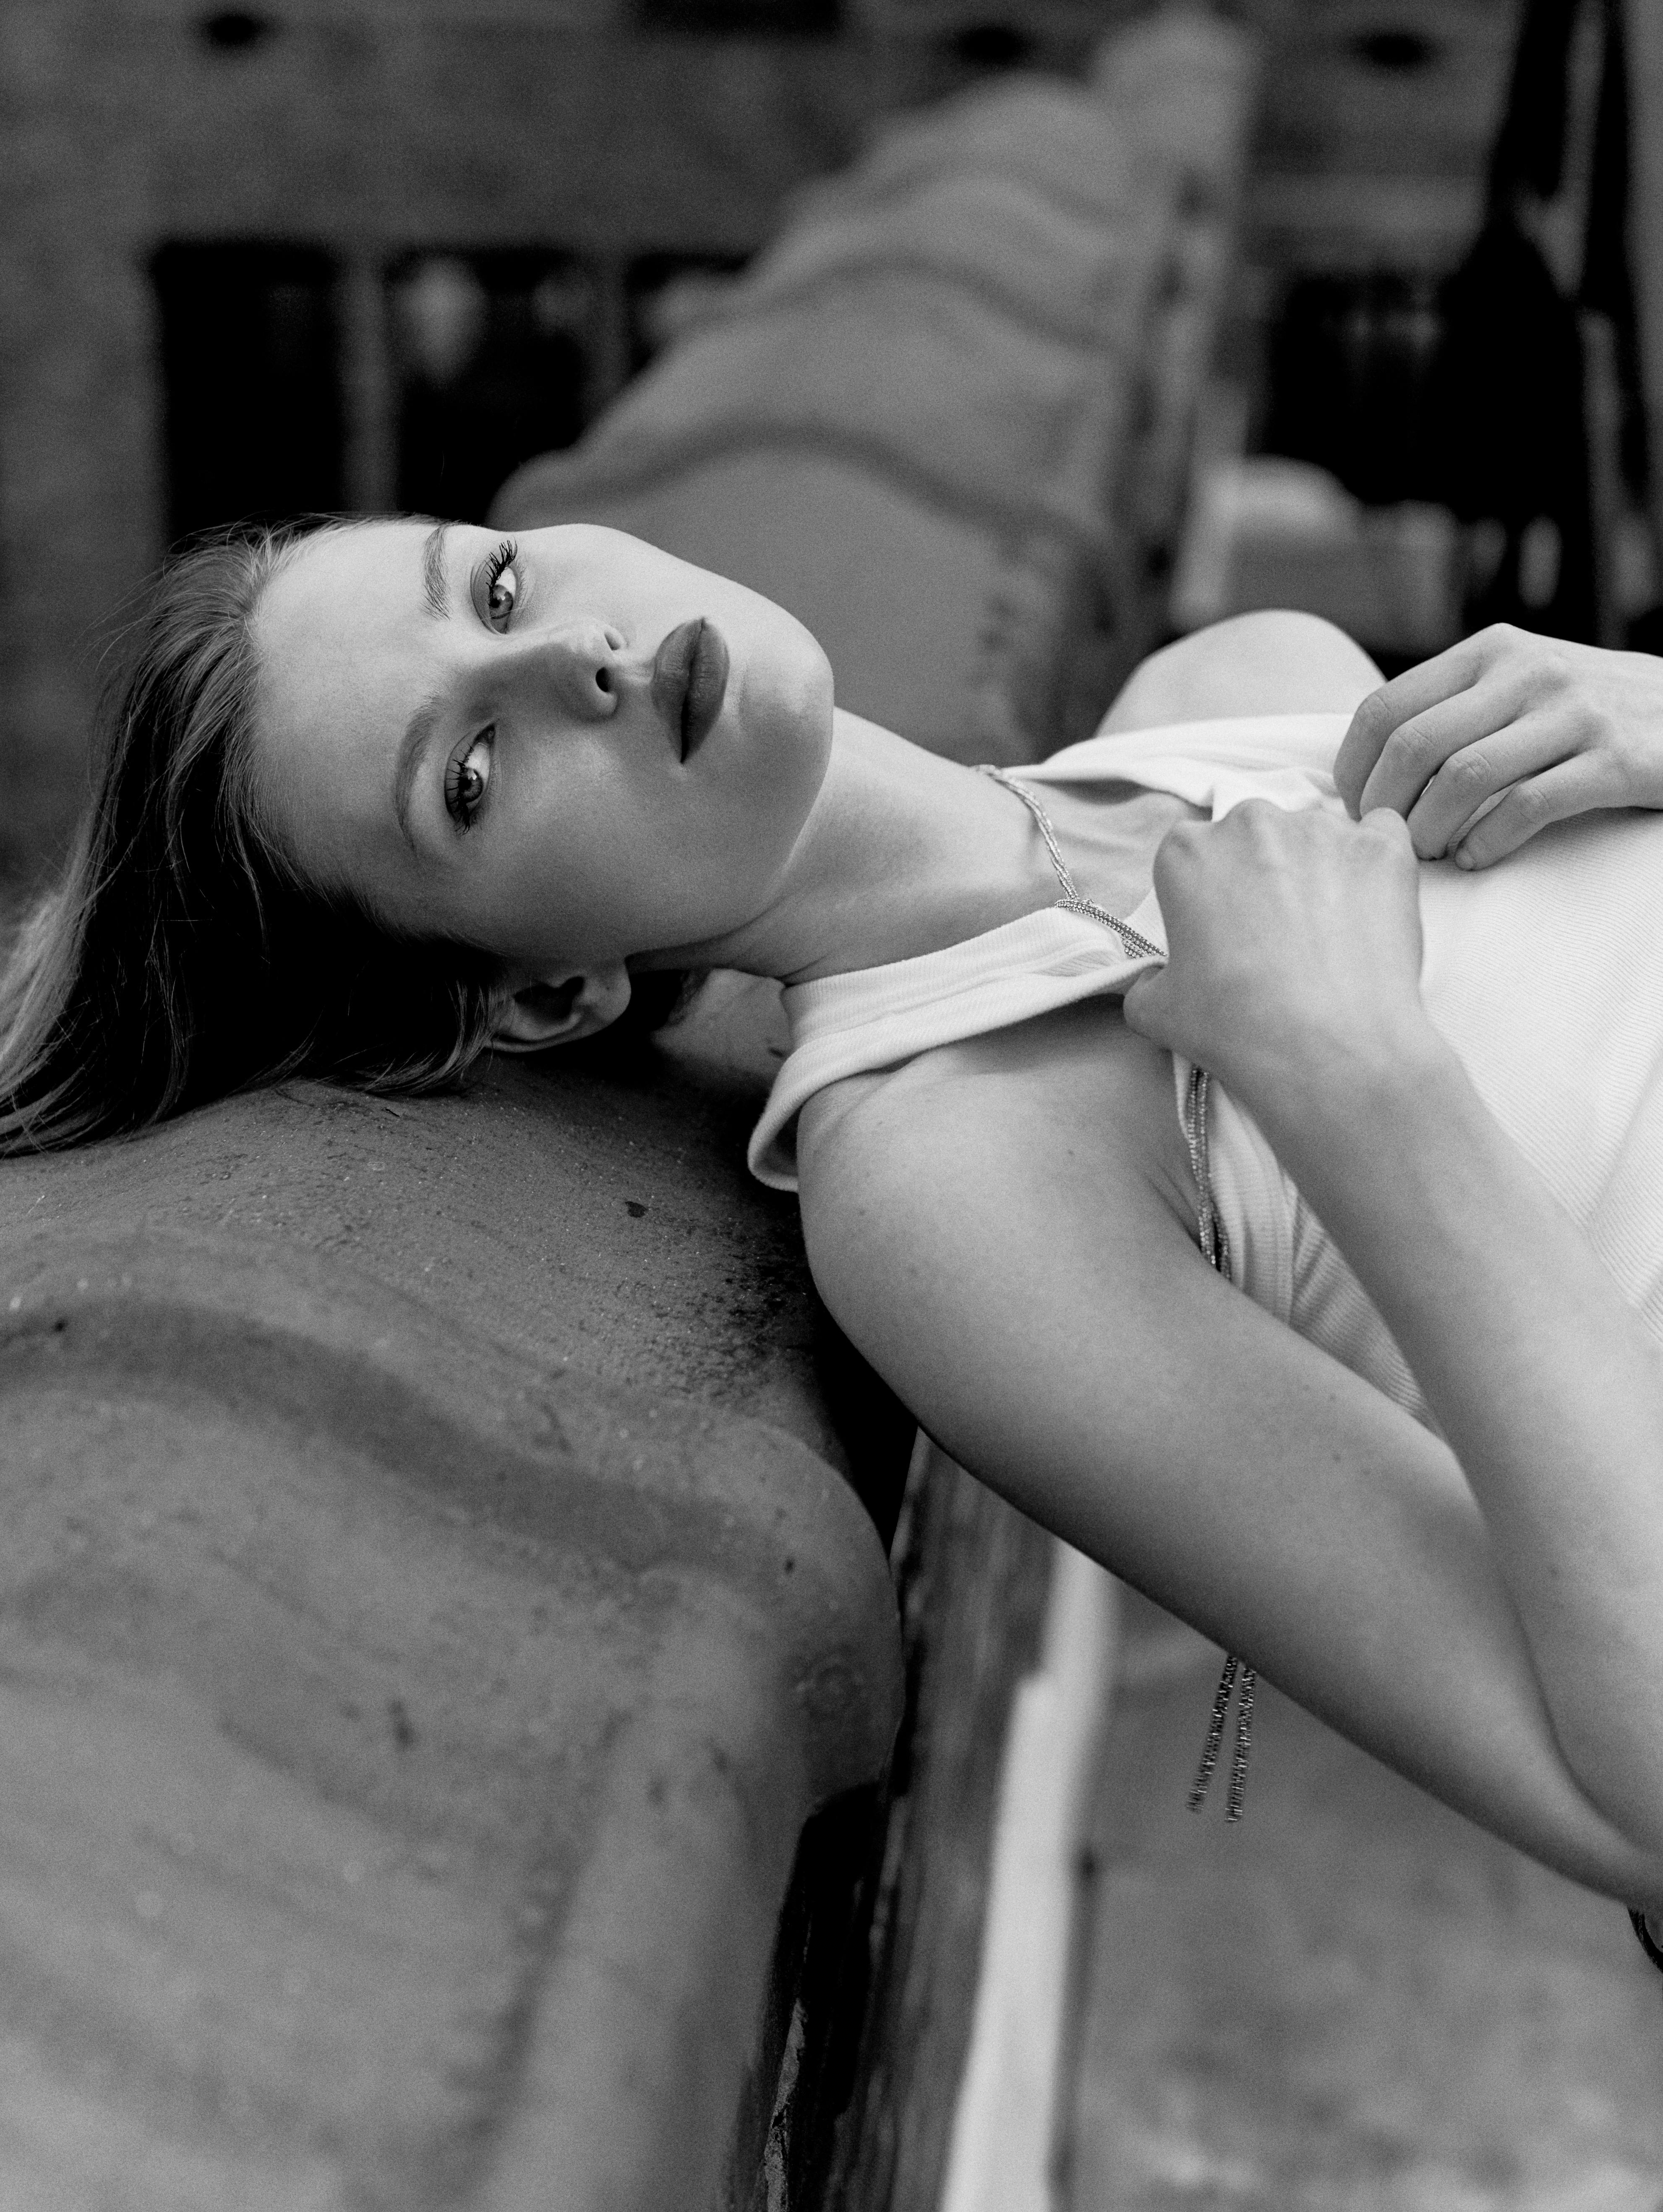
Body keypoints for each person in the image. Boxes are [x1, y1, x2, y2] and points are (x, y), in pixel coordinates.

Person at [6, 514, 1663, 1966]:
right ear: (542, 992)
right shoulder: (953, 1188)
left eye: (496, 585)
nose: (577, 655)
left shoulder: (1247, 681)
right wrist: (1359, 1081)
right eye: (471, 773)